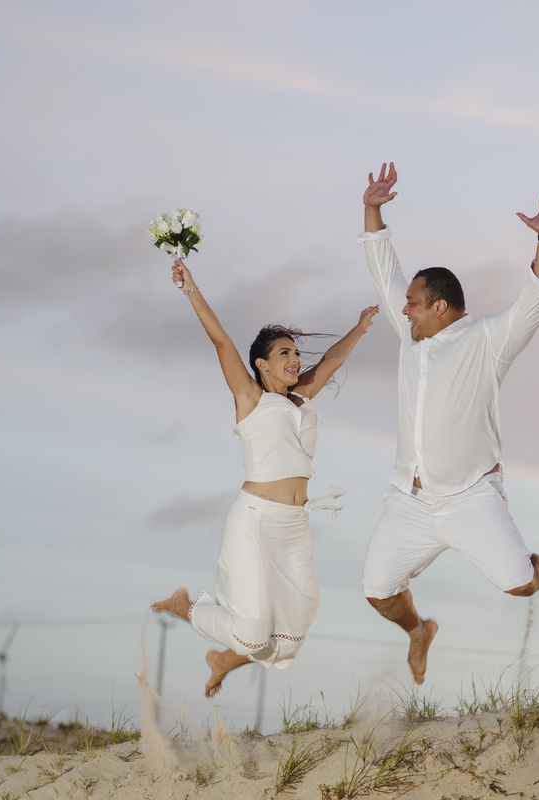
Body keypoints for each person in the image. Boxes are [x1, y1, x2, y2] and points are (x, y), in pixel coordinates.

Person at [357, 162, 539, 685]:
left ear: (440, 307)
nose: (404, 310)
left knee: (518, 584)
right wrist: (372, 210)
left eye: (413, 304)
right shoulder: (412, 335)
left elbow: (537, 298)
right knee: (377, 591)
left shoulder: (488, 340)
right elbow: (382, 268)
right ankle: (419, 630)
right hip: (411, 502)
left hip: (469, 498)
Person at [151, 257, 379, 697]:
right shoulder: (250, 397)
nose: (294, 359)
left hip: (294, 526)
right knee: (253, 636)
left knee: (286, 642)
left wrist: (360, 327)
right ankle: (185, 607)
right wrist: (191, 289)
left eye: (295, 352)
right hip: (255, 520)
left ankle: (222, 660)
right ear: (262, 364)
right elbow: (221, 341)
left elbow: (332, 360)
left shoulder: (301, 398)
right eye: (284, 354)